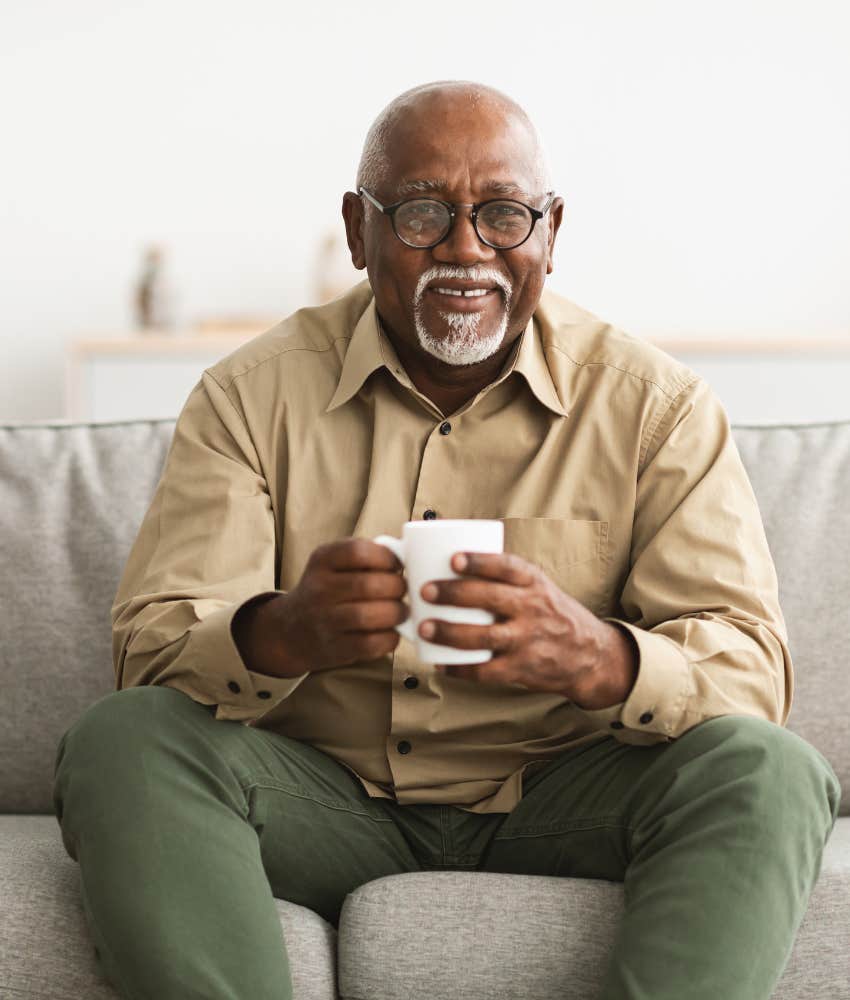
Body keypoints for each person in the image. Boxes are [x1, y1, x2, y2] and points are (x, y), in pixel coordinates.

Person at [53, 80, 841, 1000]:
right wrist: (280, 634)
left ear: (550, 231)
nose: (467, 249)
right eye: (424, 212)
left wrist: (599, 658)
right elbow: (150, 650)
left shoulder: (655, 409)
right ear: (359, 230)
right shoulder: (248, 396)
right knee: (124, 740)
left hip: (567, 798)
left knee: (771, 772)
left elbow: (751, 671)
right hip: (321, 797)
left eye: (503, 214)